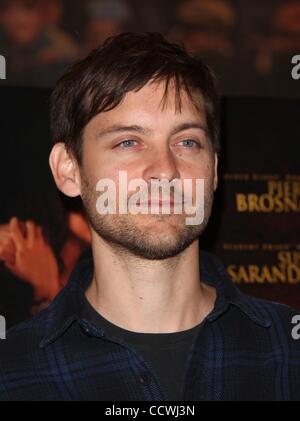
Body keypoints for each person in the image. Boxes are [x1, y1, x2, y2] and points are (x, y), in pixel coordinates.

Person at [0, 32, 299, 401]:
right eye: (128, 142)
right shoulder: (12, 373)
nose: (165, 170)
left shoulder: (288, 350)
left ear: (215, 170)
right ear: (68, 170)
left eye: (187, 142)